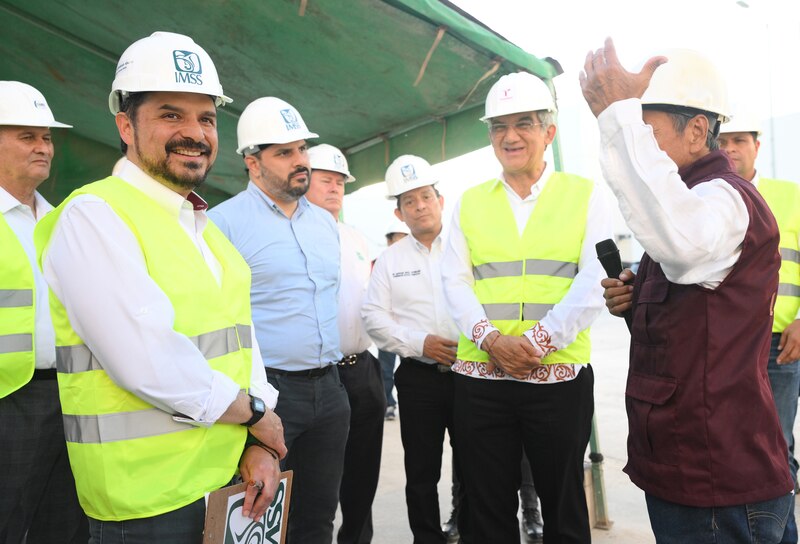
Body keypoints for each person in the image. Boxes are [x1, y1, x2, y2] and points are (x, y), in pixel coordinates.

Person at [35, 32, 286, 543]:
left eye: (207, 118)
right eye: (172, 115)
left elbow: (242, 347)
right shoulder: (94, 215)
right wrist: (258, 416)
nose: (194, 132)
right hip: (146, 504)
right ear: (126, 126)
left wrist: (258, 444)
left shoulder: (205, 230)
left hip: (223, 480)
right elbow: (146, 359)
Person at [581, 38, 794, 543]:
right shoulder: (689, 204)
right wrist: (638, 308)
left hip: (719, 483)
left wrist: (617, 115)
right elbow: (697, 321)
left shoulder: (724, 201)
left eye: (646, 131)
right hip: (691, 472)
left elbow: (681, 238)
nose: (640, 146)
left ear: (698, 130)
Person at [441, 72, 612, 543]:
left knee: (563, 509)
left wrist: (537, 341)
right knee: (485, 509)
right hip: (481, 380)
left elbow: (595, 279)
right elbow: (453, 281)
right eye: (498, 126)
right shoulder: (468, 203)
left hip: (556, 380)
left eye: (523, 123)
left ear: (548, 132)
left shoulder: (584, 194)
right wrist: (492, 340)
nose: (510, 136)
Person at [209, 97, 350, 544]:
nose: (300, 161)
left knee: (317, 519)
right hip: (269, 396)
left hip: (330, 392)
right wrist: (250, 410)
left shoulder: (325, 224)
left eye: (302, 149)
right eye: (284, 153)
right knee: (260, 523)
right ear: (253, 163)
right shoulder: (221, 225)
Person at [363, 155, 467, 544]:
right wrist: (419, 343)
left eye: (426, 196)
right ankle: (427, 537)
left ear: (440, 199)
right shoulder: (390, 261)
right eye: (410, 201)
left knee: (475, 463)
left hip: (470, 373)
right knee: (421, 470)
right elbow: (373, 317)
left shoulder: (465, 247)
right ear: (399, 212)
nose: (420, 206)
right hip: (418, 379)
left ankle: (469, 527)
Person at [0, 81, 87, 544]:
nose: (43, 148)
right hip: (8, 403)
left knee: (67, 526)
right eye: (27, 136)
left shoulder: (60, 220)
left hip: (71, 396)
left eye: (47, 138)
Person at [718, 113, 800, 543]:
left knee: (775, 449)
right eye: (723, 141)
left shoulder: (790, 196)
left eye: (738, 140)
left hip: (778, 345)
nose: (730, 149)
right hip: (729, 347)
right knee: (737, 451)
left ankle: (782, 537)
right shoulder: (710, 199)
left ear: (756, 145)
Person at [305, 143, 386, 544]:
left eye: (340, 181)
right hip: (317, 376)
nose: (335, 187)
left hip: (362, 370)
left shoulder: (356, 238)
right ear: (304, 180)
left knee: (362, 476)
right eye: (326, 179)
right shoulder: (293, 234)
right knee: (316, 484)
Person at [379, 218, 409, 421]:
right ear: (389, 241)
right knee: (385, 369)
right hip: (388, 329)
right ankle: (388, 403)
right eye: (395, 239)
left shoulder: (418, 263)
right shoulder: (381, 263)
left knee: (409, 369)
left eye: (403, 239)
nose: (399, 244)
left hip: (410, 330)